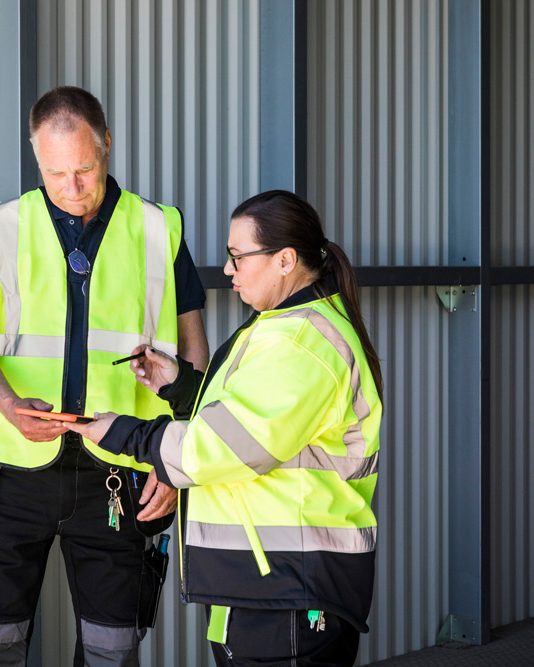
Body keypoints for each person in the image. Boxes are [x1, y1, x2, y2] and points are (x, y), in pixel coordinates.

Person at [0, 85, 209, 666]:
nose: (71, 189)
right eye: (54, 173)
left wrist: (178, 462)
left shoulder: (159, 228)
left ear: (107, 144)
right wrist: (12, 406)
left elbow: (194, 354)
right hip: (12, 467)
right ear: (35, 156)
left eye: (85, 170)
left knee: (113, 653)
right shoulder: (0, 227)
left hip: (123, 470)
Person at [67, 190, 384, 667]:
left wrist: (122, 433)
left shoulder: (300, 343)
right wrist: (180, 385)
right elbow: (248, 418)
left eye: (238, 257)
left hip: (286, 588)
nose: (229, 271)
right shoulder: (279, 326)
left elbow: (218, 447)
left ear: (285, 260)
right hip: (268, 582)